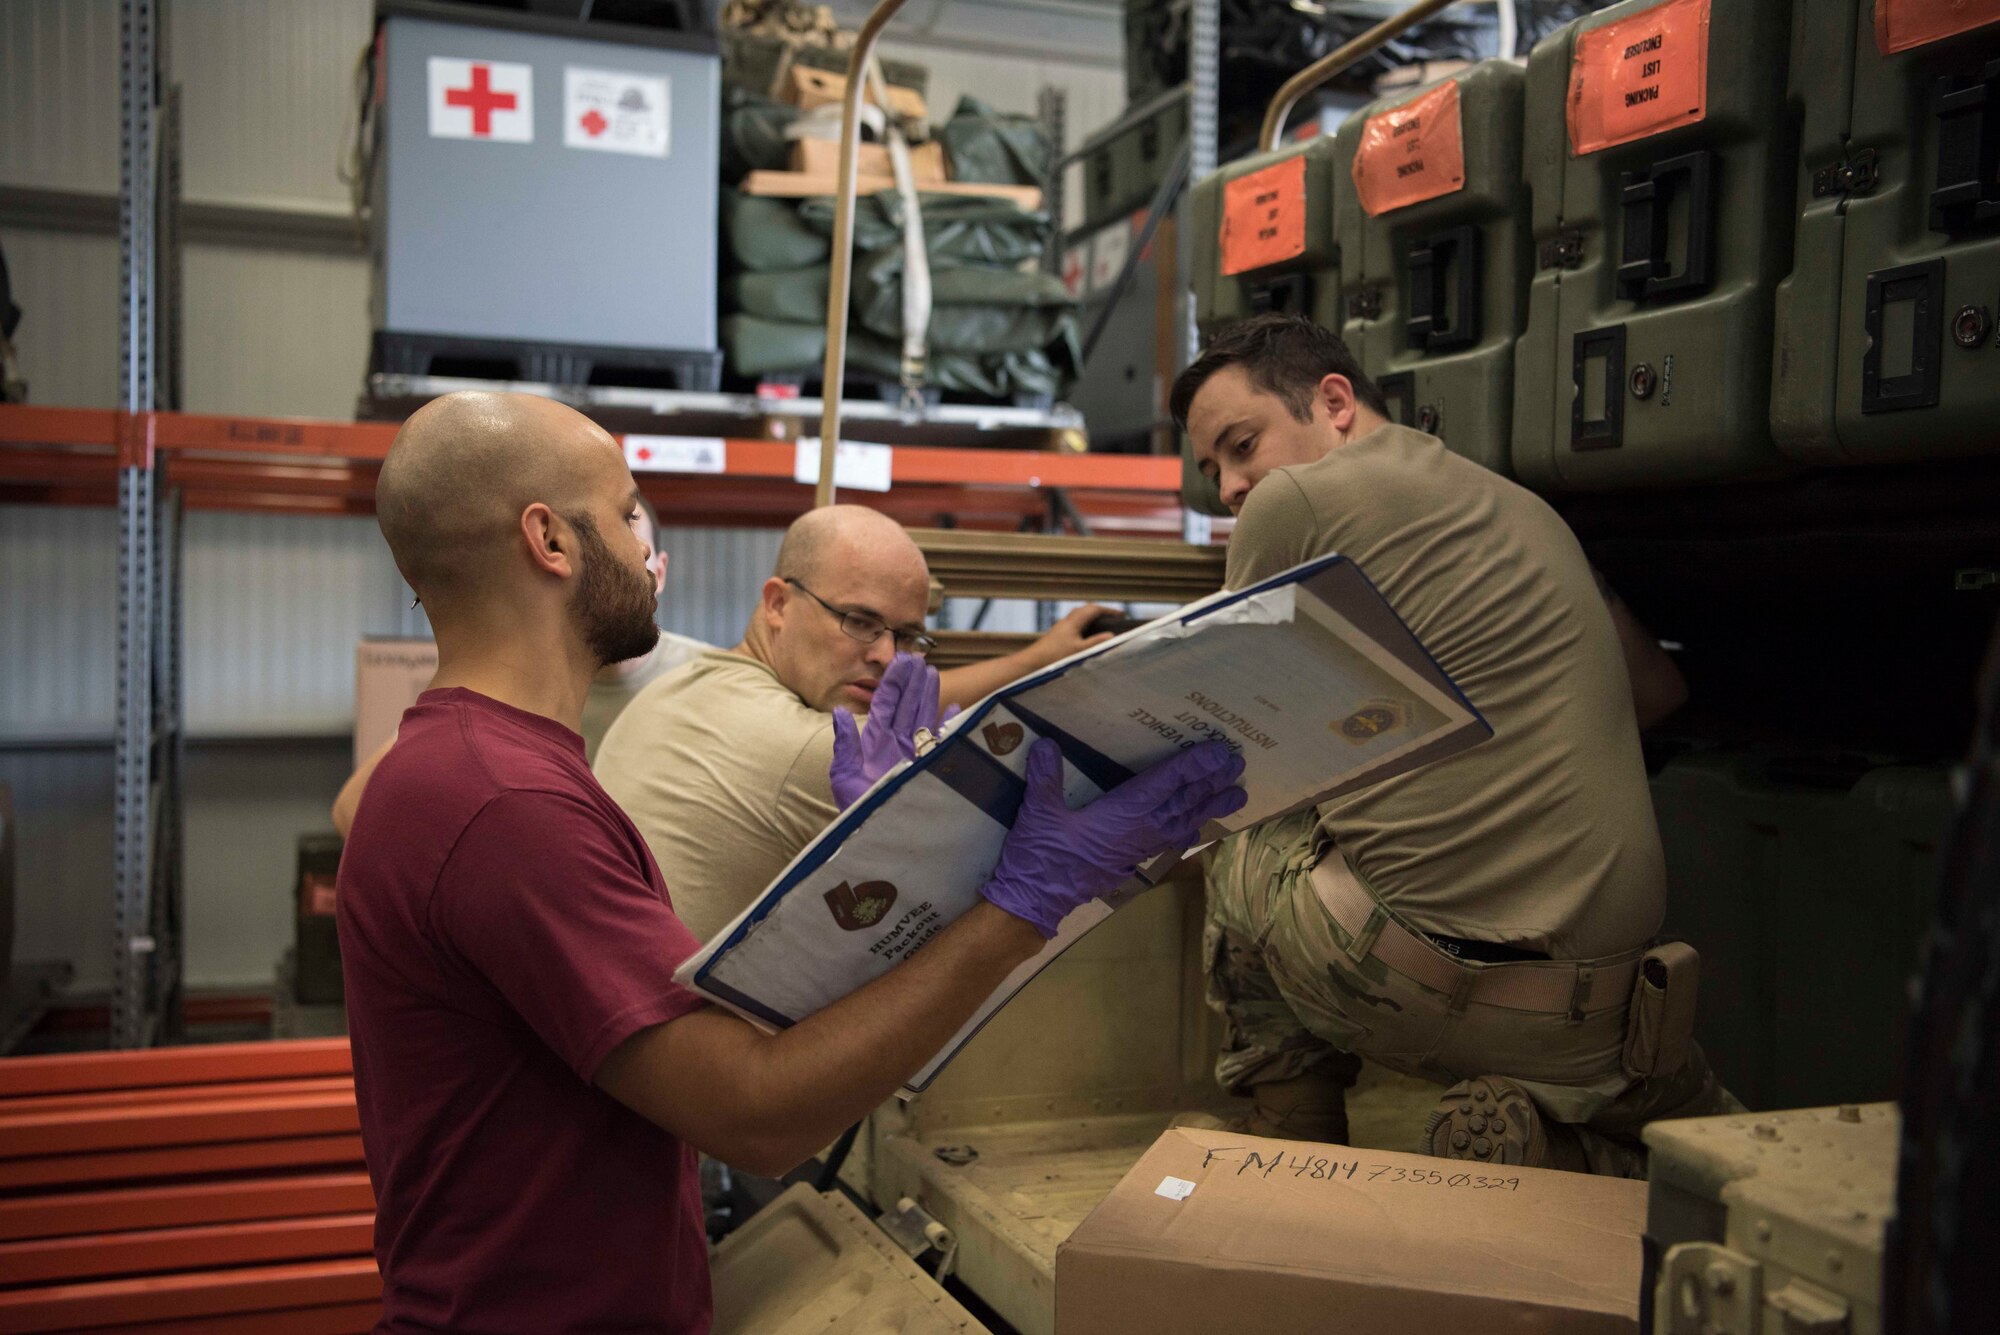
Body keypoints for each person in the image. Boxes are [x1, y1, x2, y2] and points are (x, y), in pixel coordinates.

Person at [336, 389, 1246, 1332]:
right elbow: (755, 1113)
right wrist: (1021, 907)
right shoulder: (508, 803)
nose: (647, 544)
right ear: (551, 542)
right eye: (625, 510)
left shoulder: (478, 768)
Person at [1173, 313, 1725, 1176]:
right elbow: (1657, 688)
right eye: (1213, 472)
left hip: (1419, 989)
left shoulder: (1294, 503)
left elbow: (1223, 736)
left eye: (1242, 446)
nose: (1234, 486)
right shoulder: (1522, 506)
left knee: (1229, 815)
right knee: (1726, 1173)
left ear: (1334, 399)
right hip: (1609, 1005)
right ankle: (1569, 1150)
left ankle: (1295, 1140)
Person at [594, 506, 1115, 942]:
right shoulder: (809, 750)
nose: (887, 655)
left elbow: (893, 711)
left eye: (908, 636)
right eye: (860, 622)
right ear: (778, 604)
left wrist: (1036, 660)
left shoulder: (686, 684)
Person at [329, 497, 705, 837]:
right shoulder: (519, 679)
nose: (632, 557)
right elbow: (353, 810)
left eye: (640, 554)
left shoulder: (709, 680)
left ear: (661, 569)